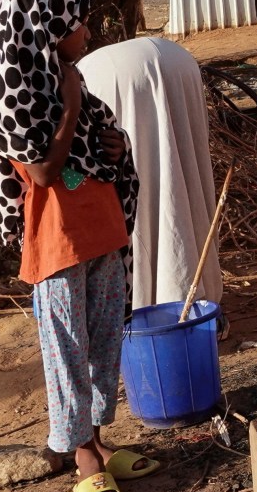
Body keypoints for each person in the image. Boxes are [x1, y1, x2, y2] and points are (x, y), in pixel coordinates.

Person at [0, 0, 158, 492]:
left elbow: (97, 139)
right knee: (65, 346)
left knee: (102, 336)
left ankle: (98, 437)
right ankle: (80, 453)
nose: (88, 32)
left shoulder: (56, 69)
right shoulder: (15, 81)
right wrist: (72, 108)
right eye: (80, 20)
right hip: (55, 235)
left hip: (98, 223)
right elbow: (44, 171)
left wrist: (111, 142)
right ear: (49, 20)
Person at [77, 36, 221, 315]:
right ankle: (194, 296)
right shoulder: (179, 57)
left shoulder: (79, 75)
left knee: (138, 183)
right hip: (178, 64)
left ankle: (144, 302)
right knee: (185, 170)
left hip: (116, 77)